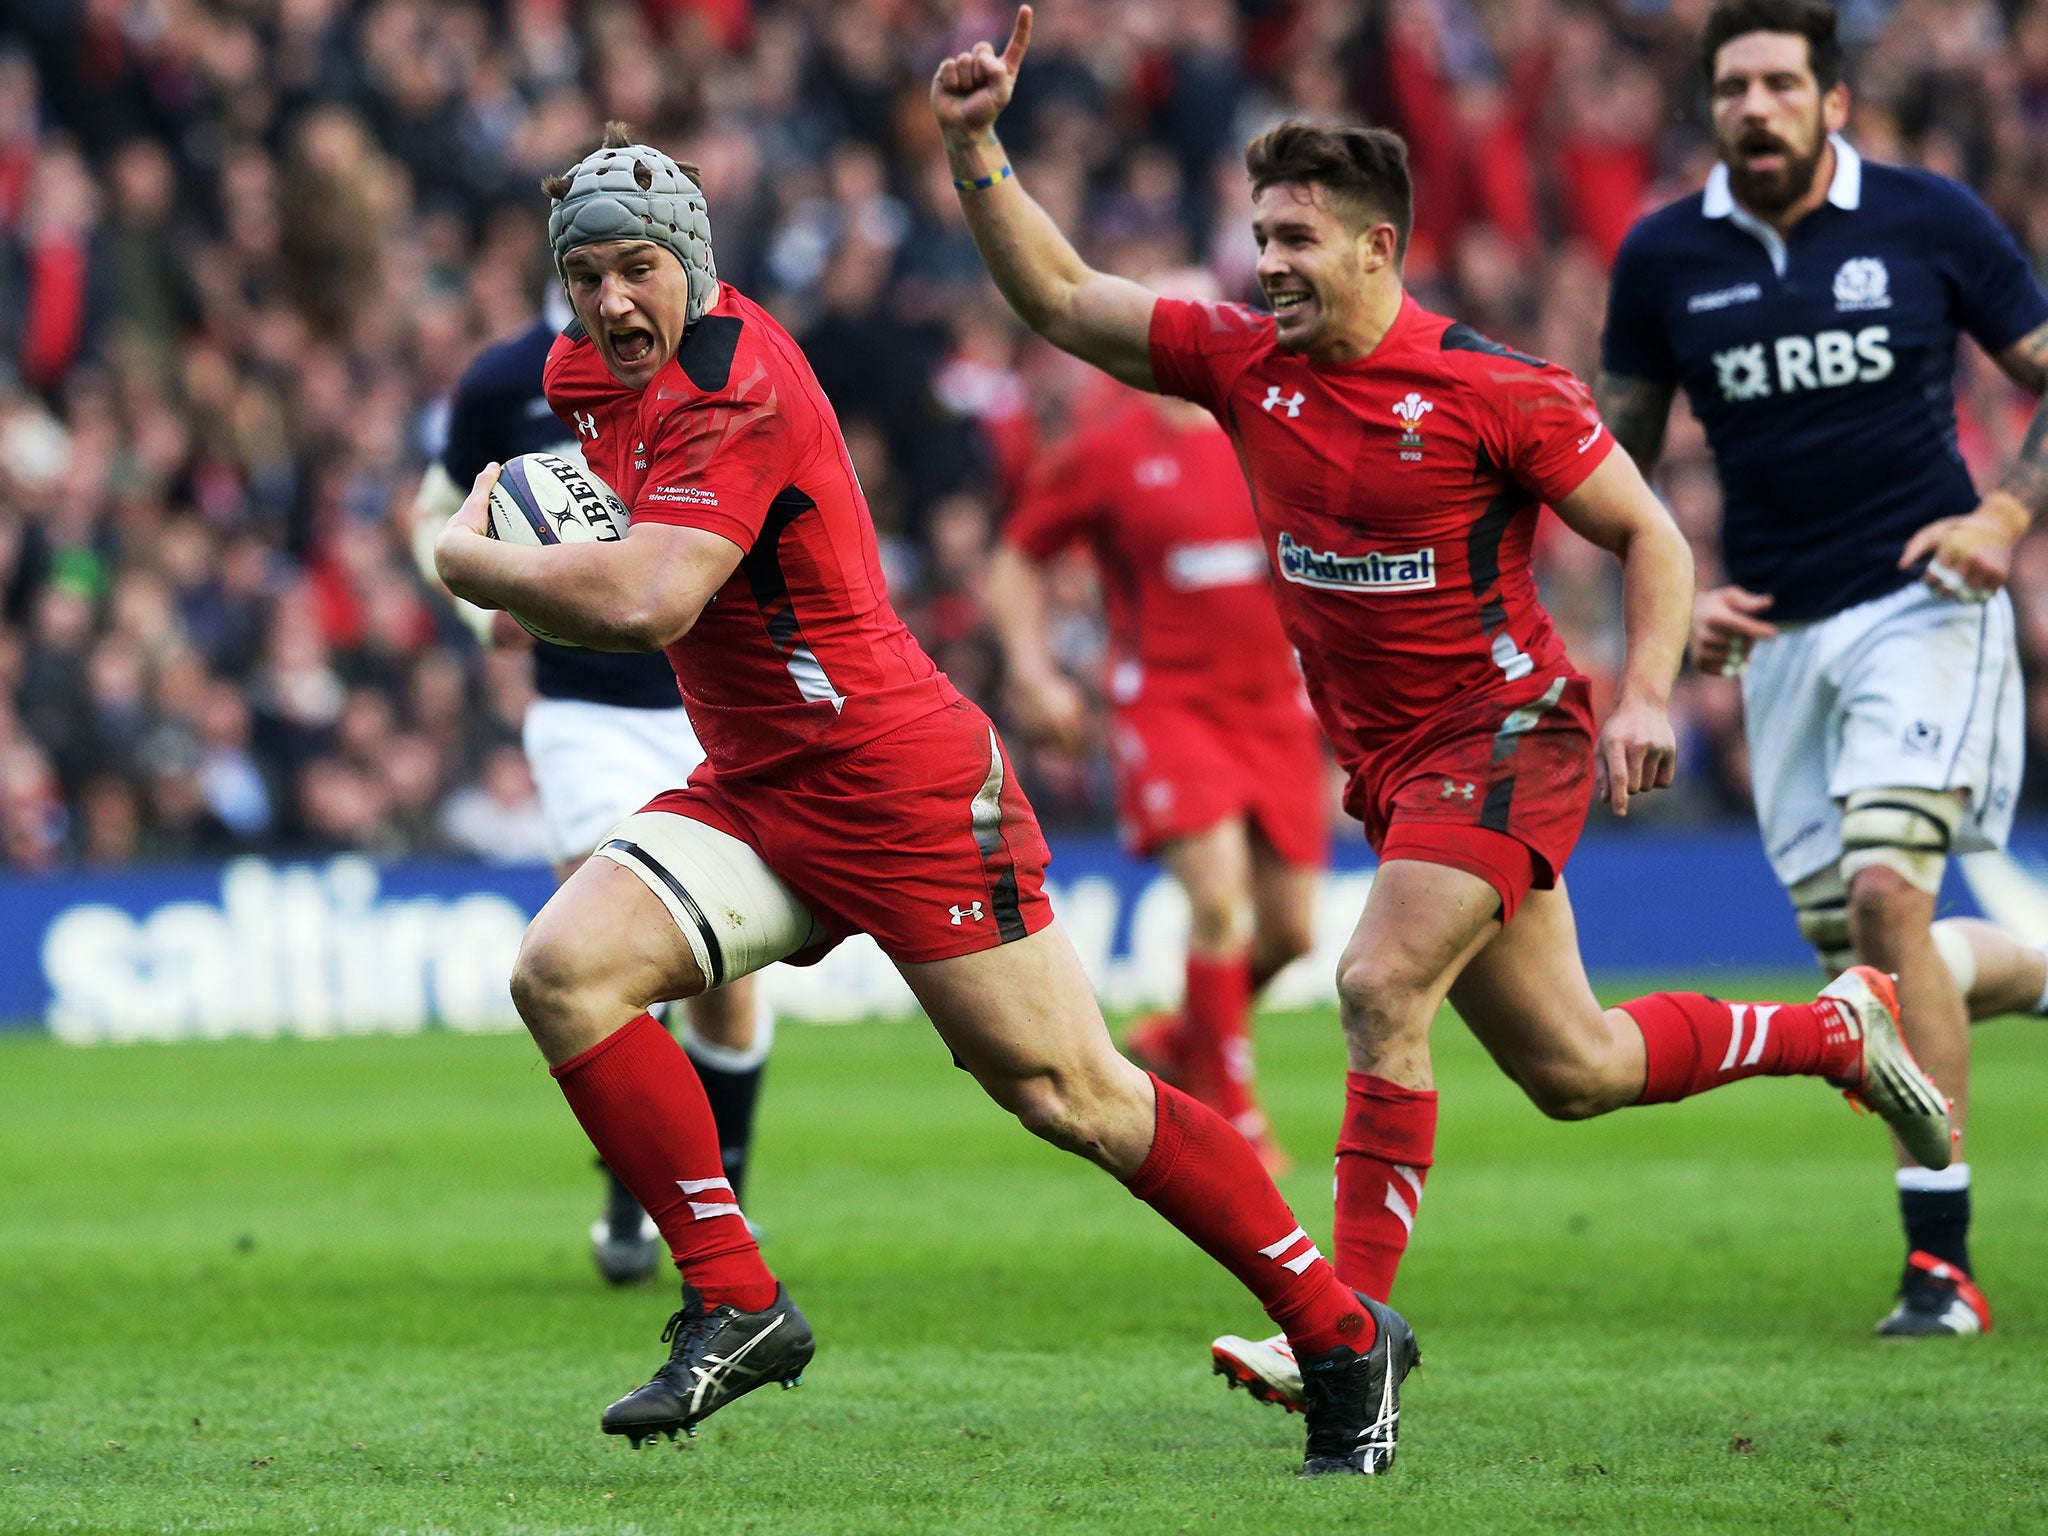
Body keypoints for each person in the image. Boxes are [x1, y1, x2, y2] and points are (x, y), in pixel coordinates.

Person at [934, 6, 1951, 1423]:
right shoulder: (1242, 366)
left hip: (1510, 734)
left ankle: (1345, 1330)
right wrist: (975, 145)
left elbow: (1653, 541)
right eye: (1262, 237)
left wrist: (1649, 688)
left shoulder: (1495, 391)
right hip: (1396, 768)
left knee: (1372, 985)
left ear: (1375, 248)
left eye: (1297, 240)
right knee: (1576, 1068)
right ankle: (1836, 1033)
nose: (1270, 263)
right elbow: (1059, 296)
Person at [434, 121, 1412, 1479]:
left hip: (899, 784)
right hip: (759, 786)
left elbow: (650, 599)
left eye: (638, 269)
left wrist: (476, 566)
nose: (611, 301)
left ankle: (1337, 1333)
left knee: (1073, 1095)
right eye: (586, 273)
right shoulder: (577, 375)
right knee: (561, 972)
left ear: (695, 267)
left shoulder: (741, 380)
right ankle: (735, 1294)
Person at [1596, 0, 2048, 1336]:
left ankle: (1939, 1262)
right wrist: (1680, 614)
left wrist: (2005, 517)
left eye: (1784, 83)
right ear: (1712, 106)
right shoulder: (1662, 257)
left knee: (1885, 891)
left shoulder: (1929, 220)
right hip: (1776, 638)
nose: (1757, 106)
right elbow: (1606, 468)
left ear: (1832, 102)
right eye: (1734, 86)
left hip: (1927, 601)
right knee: (1869, 962)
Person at [410, 293, 774, 1288]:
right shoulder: (503, 379)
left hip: (711, 705)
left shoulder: (712, 370)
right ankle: (641, 1185)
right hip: (582, 713)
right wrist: (471, 596)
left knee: (724, 985)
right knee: (605, 948)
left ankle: (718, 1193)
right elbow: (432, 508)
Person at [988, 278, 1328, 1174]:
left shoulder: (1270, 432)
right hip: (1168, 703)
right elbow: (1015, 561)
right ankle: (1236, 1116)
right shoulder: (1103, 450)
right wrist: (1033, 671)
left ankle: (1184, 1033)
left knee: (1289, 932)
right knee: (1218, 902)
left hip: (1275, 710)